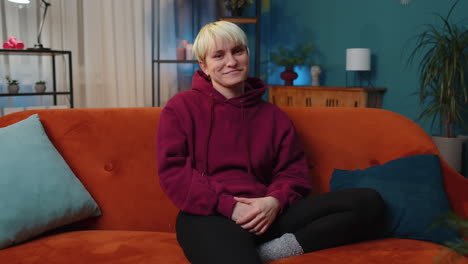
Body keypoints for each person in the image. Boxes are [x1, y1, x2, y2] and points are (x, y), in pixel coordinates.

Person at [156, 21, 385, 264]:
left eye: (238, 51)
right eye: (219, 55)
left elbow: (293, 174)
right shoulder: (180, 108)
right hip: (209, 214)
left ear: (248, 54)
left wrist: (273, 202)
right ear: (204, 65)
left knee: (368, 203)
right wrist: (230, 207)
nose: (231, 62)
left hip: (266, 213)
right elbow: (174, 174)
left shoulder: (274, 116)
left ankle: (272, 251)